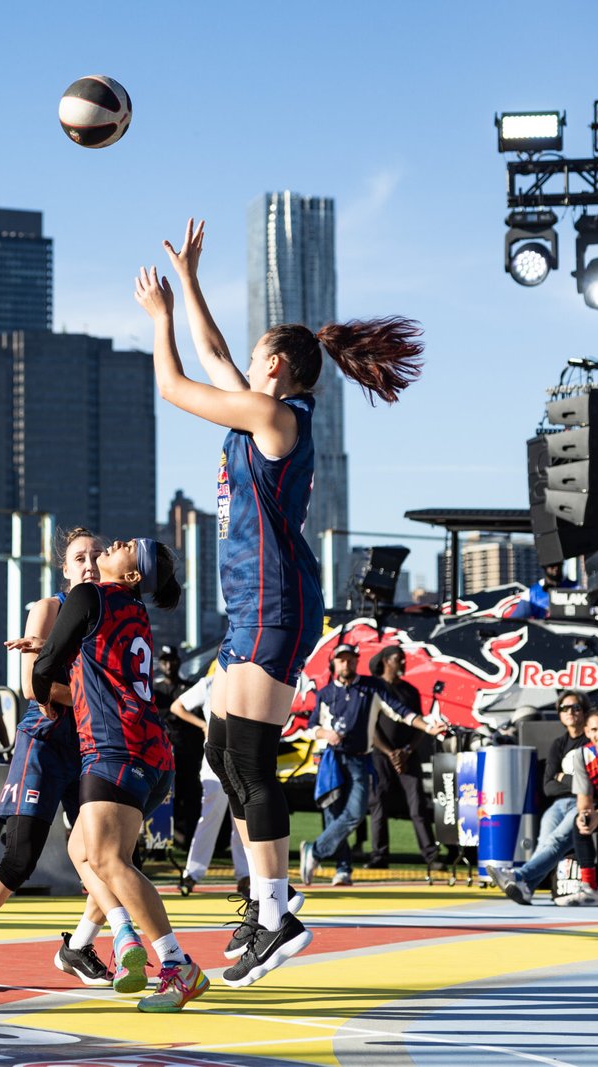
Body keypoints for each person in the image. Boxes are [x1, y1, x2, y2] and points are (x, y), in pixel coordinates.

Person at [135, 218, 422, 986]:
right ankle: (265, 905)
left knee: (251, 760)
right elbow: (214, 355)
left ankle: (278, 913)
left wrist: (160, 318)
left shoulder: (274, 417)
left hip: (276, 602)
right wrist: (189, 281)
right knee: (223, 753)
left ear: (276, 366)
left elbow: (174, 383)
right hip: (248, 606)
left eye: (255, 354)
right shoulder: (259, 408)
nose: (240, 360)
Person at [22, 537, 208, 1012]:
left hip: (114, 749)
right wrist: (59, 653)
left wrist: (44, 683)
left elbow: (44, 669)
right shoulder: (133, 610)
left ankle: (177, 965)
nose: (121, 541)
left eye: (132, 548)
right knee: (83, 850)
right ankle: (116, 937)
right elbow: (96, 660)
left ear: (132, 575)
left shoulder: (89, 595)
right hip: (151, 753)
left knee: (107, 859)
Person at [0, 527, 121, 995]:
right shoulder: (50, 608)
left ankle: (79, 946)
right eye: (80, 557)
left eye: (97, 555)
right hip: (44, 743)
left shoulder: (113, 614)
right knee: (19, 858)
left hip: (91, 748)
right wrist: (96, 697)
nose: (90, 564)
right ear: (65, 568)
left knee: (114, 859)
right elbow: (31, 686)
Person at [301, 645, 443, 888]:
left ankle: (314, 851)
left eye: (350, 660)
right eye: (341, 660)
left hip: (360, 759)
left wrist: (429, 727)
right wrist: (325, 733)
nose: (346, 664)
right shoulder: (325, 693)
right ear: (333, 663)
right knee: (333, 814)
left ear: (357, 662)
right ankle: (342, 869)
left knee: (355, 813)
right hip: (332, 759)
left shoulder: (371, 687)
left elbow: (400, 712)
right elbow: (311, 726)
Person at [486, 693, 590, 904]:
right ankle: (527, 888)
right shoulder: (558, 744)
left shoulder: (592, 742)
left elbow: (591, 783)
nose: (570, 712)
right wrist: (573, 780)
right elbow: (549, 786)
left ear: (585, 711)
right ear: (559, 713)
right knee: (544, 844)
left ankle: (518, 876)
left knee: (556, 841)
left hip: (583, 802)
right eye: (565, 708)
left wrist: (563, 777)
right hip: (559, 803)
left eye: (576, 707)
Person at [167, 670, 248, 898]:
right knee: (211, 815)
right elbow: (177, 706)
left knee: (241, 818)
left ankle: (245, 875)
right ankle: (192, 872)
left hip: (241, 757)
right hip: (216, 757)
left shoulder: (246, 679)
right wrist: (203, 725)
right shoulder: (209, 683)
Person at [366, 647, 441, 871]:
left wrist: (406, 751)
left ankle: (431, 856)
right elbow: (371, 726)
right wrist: (390, 753)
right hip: (380, 756)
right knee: (379, 805)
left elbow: (419, 724)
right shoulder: (374, 688)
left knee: (418, 806)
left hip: (408, 756)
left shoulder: (410, 691)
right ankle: (379, 857)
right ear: (385, 661)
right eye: (398, 659)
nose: (403, 663)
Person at [557, 704, 598, 907]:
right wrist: (586, 815)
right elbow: (584, 796)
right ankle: (590, 889)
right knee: (579, 823)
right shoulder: (582, 755)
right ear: (587, 732)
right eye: (594, 730)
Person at [155, 645, 200, 845]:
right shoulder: (155, 690)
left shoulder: (189, 688)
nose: (168, 665)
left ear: (178, 661)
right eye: (164, 661)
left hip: (186, 753)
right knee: (161, 797)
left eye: (171, 660)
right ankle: (157, 843)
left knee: (189, 795)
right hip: (161, 752)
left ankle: (188, 840)